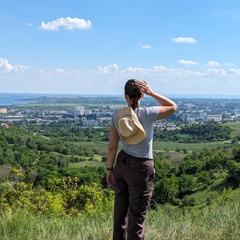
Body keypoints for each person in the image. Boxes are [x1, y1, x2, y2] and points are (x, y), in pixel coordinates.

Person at [106, 79, 177, 240]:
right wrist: (152, 93)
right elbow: (173, 106)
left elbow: (112, 147)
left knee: (119, 216)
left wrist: (109, 170)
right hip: (141, 168)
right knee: (136, 219)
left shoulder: (116, 116)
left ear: (125, 96)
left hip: (122, 165)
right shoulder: (147, 113)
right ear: (142, 95)